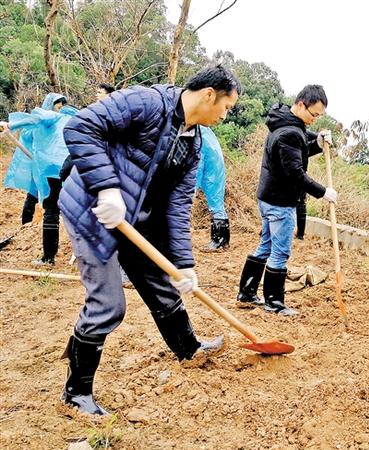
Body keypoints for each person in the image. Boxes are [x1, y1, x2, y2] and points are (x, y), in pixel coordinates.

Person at [57, 65, 241, 417]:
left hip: (133, 221)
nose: (225, 115)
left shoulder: (193, 144)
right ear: (209, 95)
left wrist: (183, 263)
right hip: (92, 211)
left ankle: (189, 349)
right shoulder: (147, 102)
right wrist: (107, 188)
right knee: (109, 305)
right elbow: (80, 126)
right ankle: (75, 394)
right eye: (227, 107)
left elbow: (177, 208)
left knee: (161, 282)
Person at [236, 84, 337, 316]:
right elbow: (295, 172)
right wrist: (323, 192)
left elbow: (299, 146)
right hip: (280, 201)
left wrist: (318, 143)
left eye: (319, 116)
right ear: (301, 105)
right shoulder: (288, 132)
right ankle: (274, 302)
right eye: (314, 114)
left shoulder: (283, 122)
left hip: (269, 197)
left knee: (266, 245)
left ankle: (247, 293)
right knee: (280, 251)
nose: (315, 120)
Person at [1, 93, 78, 265]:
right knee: (37, 201)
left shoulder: (51, 116)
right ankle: (25, 231)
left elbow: (35, 120)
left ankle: (49, 257)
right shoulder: (69, 118)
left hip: (53, 169)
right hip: (65, 168)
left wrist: (10, 125)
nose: (59, 108)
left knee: (51, 210)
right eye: (57, 105)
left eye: (60, 105)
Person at [196, 126, 230, 250]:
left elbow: (198, 162)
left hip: (210, 170)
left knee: (215, 204)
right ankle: (223, 241)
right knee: (217, 204)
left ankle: (219, 241)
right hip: (216, 167)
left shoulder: (197, 131)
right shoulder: (204, 130)